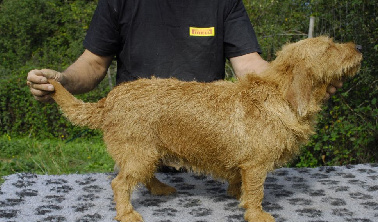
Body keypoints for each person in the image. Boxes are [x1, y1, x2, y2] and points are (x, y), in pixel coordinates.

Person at [27, 0, 341, 101]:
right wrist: (63, 81)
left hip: (206, 140)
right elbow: (93, 64)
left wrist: (301, 80)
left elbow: (249, 65)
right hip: (140, 133)